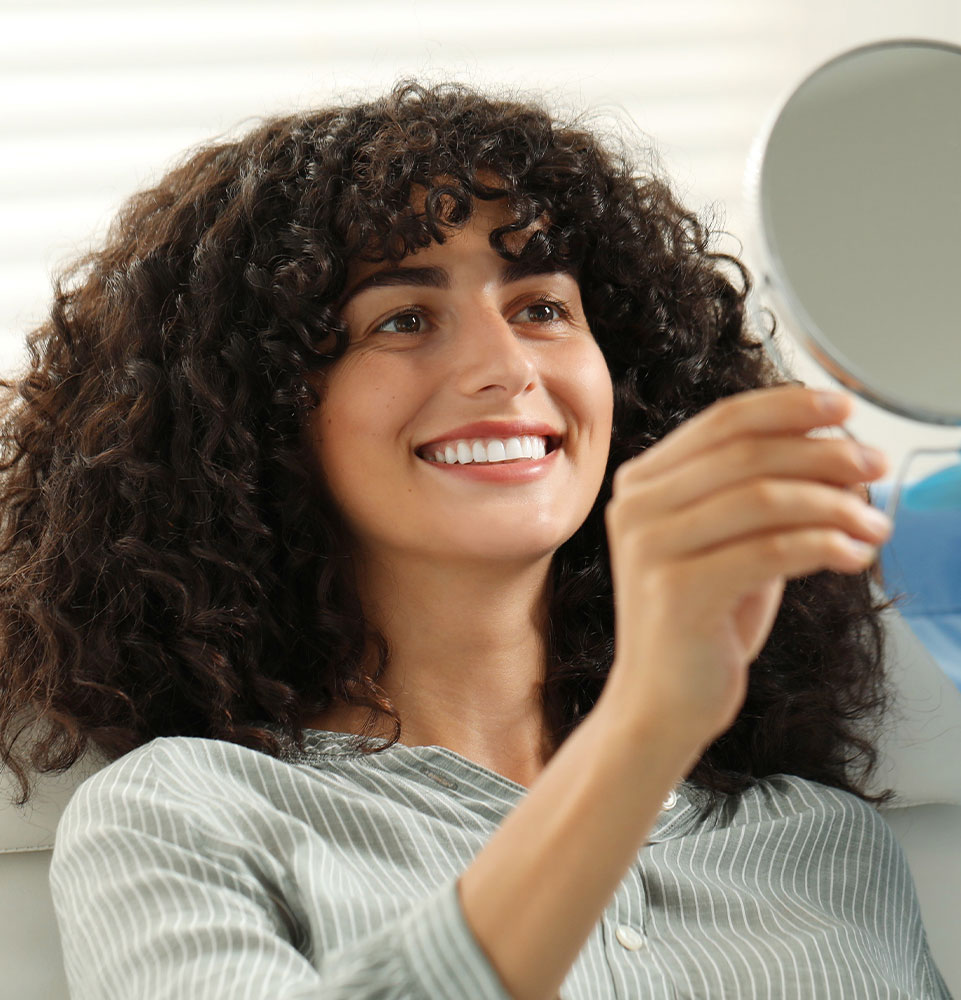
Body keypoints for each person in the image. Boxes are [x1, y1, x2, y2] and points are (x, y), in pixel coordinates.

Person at [0, 81, 950, 998]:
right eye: (403, 319)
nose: (504, 368)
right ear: (257, 417)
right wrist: (642, 728)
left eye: (542, 309)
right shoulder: (186, 817)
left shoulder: (821, 843)